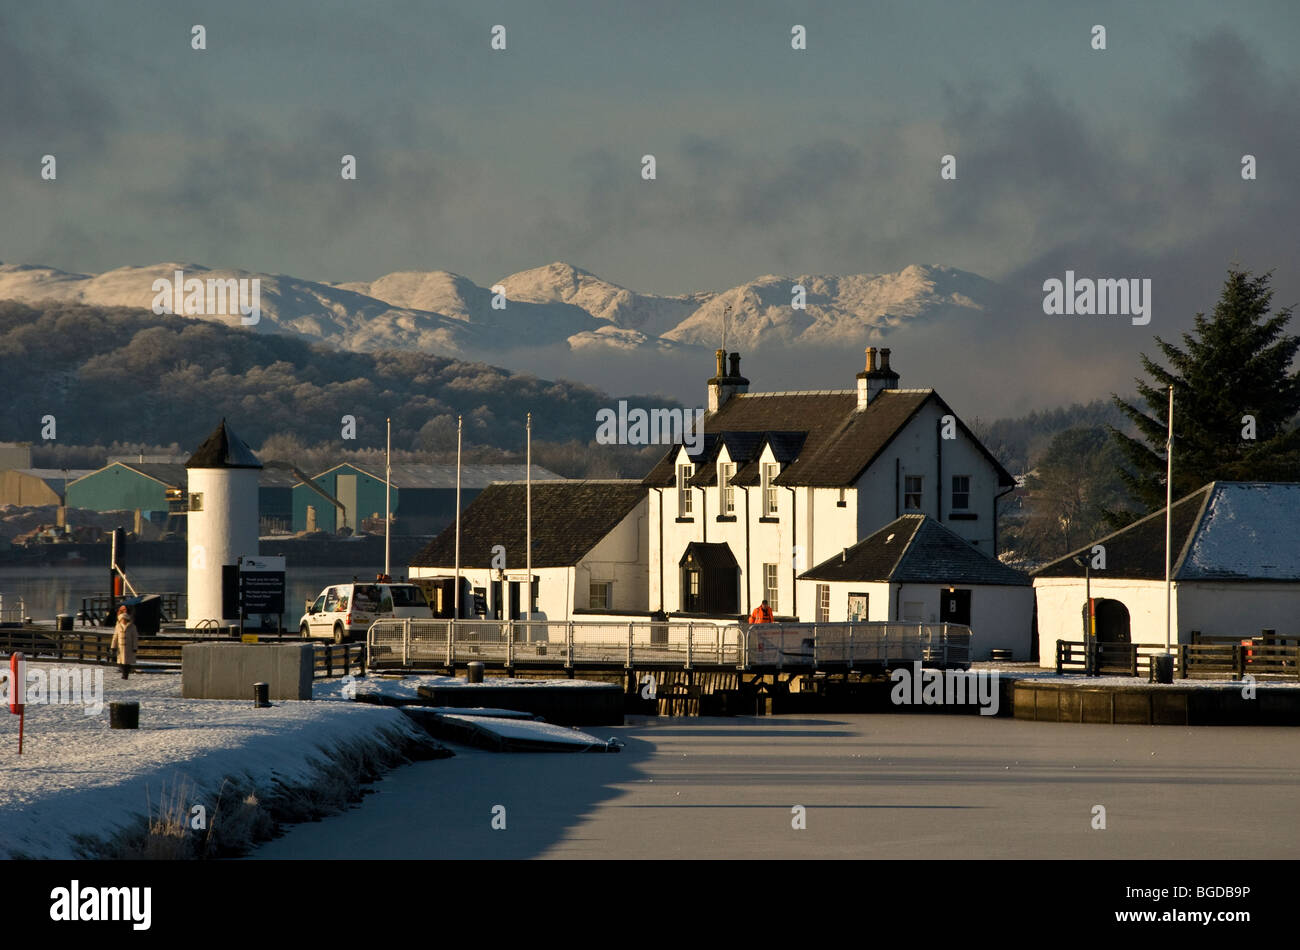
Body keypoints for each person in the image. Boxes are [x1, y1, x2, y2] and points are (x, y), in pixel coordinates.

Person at [110, 605, 138, 680]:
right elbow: (115, 637)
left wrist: (135, 647)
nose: (123, 620)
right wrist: (113, 646)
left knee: (127, 662)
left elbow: (135, 638)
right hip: (120, 647)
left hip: (129, 647)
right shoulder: (118, 626)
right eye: (122, 619)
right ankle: (124, 673)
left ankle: (125, 675)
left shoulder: (132, 626)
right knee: (121, 662)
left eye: (124, 619)